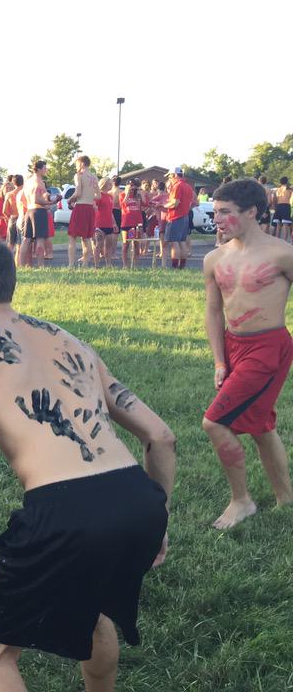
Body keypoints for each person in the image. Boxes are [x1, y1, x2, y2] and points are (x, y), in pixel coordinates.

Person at [0, 234, 174, 692]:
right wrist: (157, 516)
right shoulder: (72, 343)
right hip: (134, 496)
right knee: (95, 613)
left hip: (65, 509)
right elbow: (161, 436)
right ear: (12, 281)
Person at [202, 179, 293, 529]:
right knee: (260, 425)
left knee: (215, 422)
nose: (218, 219)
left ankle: (242, 501)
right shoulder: (214, 258)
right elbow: (213, 310)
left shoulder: (281, 253)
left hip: (269, 347)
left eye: (226, 212)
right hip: (234, 345)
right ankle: (285, 499)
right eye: (215, 212)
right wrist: (220, 360)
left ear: (252, 212)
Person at [68, 156, 100, 267]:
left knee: (72, 237)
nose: (76, 167)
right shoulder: (94, 177)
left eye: (77, 164)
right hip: (90, 208)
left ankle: (71, 265)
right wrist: (90, 197)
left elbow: (78, 193)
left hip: (80, 207)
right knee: (86, 238)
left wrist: (69, 199)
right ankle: (85, 264)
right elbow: (99, 196)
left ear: (81, 164)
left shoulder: (79, 175)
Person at [162, 170, 195, 269]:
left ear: (175, 175)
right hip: (185, 216)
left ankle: (175, 266)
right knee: (182, 241)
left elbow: (175, 203)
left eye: (170, 177)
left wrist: (164, 205)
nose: (169, 179)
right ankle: (182, 266)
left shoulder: (177, 186)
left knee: (174, 242)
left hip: (175, 217)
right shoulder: (188, 187)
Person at [22, 161, 52, 268]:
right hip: (39, 211)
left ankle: (20, 265)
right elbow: (37, 199)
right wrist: (51, 202)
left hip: (29, 210)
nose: (46, 170)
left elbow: (24, 198)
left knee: (26, 239)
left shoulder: (28, 181)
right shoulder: (39, 181)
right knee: (40, 239)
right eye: (45, 168)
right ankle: (41, 266)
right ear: (39, 169)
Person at [120, 179, 145, 269]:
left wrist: (140, 193)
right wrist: (127, 192)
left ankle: (135, 264)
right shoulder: (122, 194)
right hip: (127, 223)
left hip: (137, 223)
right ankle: (125, 265)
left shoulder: (137, 195)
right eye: (131, 186)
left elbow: (145, 204)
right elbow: (123, 204)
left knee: (136, 243)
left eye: (134, 186)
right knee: (126, 244)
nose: (132, 188)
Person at [94, 178, 119, 268]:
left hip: (109, 224)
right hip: (100, 224)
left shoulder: (110, 196)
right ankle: (96, 265)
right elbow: (94, 208)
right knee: (98, 245)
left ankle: (108, 264)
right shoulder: (98, 195)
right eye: (109, 184)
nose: (111, 185)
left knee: (109, 245)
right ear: (104, 184)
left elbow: (110, 211)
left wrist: (114, 223)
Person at [271, 176, 292, 243]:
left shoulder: (277, 189)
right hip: (286, 206)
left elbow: (273, 199)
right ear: (287, 181)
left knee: (278, 225)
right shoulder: (289, 189)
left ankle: (277, 241)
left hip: (278, 206)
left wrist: (275, 207)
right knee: (285, 225)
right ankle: (284, 242)